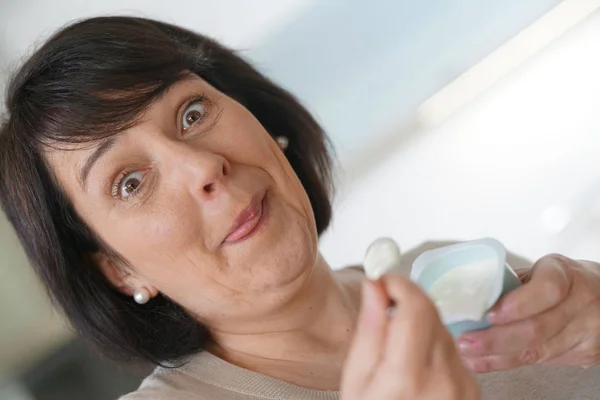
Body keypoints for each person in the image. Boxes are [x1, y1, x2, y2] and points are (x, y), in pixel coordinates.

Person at [0, 16, 599, 400]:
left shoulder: (450, 273)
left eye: (191, 114)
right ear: (118, 268)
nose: (203, 167)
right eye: (130, 182)